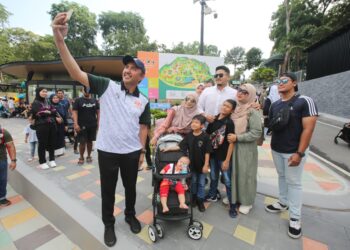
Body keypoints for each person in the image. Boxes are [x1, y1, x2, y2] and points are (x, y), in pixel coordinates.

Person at [52, 12, 150, 247]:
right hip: (107, 151)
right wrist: (59, 38)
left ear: (141, 76)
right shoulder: (108, 87)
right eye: (125, 66)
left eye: (132, 67)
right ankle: (108, 223)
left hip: (130, 153)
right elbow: (75, 73)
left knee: (130, 189)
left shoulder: (143, 101)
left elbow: (144, 127)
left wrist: (142, 152)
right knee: (108, 190)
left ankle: (129, 215)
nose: (127, 69)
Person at [265, 72, 318, 239]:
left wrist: (299, 153)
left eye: (284, 81)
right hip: (276, 148)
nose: (280, 83)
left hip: (294, 151)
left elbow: (308, 129)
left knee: (294, 183)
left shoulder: (304, 101)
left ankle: (295, 218)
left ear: (294, 83)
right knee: (282, 176)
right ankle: (282, 202)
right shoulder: (275, 104)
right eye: (278, 81)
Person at [162, 115, 212, 212]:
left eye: (196, 122)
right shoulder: (189, 136)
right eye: (192, 122)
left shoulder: (205, 137)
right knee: (193, 182)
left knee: (201, 183)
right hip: (191, 166)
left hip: (202, 165)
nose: (193, 124)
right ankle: (193, 199)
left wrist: (206, 165)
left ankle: (200, 201)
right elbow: (180, 146)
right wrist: (167, 148)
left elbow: (207, 152)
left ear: (202, 125)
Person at [228, 84, 262, 215]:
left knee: (246, 174)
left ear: (251, 95)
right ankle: (235, 197)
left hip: (245, 148)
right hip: (233, 145)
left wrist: (238, 138)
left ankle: (247, 201)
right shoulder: (235, 109)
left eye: (245, 92)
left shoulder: (253, 110)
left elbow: (256, 132)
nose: (240, 93)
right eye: (239, 90)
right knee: (234, 173)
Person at [206, 99, 237, 218]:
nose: (224, 107)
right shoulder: (213, 120)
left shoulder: (229, 123)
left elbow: (231, 143)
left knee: (228, 182)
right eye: (224, 105)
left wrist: (227, 160)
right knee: (213, 177)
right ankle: (212, 195)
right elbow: (208, 136)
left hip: (223, 157)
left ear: (232, 110)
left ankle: (232, 205)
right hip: (213, 156)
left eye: (228, 107)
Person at [31, 87, 58, 170]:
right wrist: (49, 111)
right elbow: (39, 113)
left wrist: (48, 111)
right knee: (42, 144)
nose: (45, 93)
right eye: (43, 91)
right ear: (38, 92)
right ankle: (42, 161)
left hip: (51, 125)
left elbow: (54, 111)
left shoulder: (48, 101)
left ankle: (52, 159)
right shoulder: (35, 102)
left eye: (46, 91)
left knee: (52, 143)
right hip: (41, 125)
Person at [72, 88, 99, 165]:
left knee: (90, 141)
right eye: (85, 90)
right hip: (81, 125)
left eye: (88, 90)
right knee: (82, 142)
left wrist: (98, 123)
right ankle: (81, 157)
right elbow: (75, 112)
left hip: (92, 125)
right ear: (82, 91)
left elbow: (98, 112)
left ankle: (89, 156)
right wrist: (75, 124)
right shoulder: (78, 100)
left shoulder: (95, 100)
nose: (87, 91)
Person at [0, 126, 17, 207]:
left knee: (3, 180)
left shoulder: (3, 132)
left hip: (1, 160)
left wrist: (13, 160)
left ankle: (2, 198)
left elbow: (11, 146)